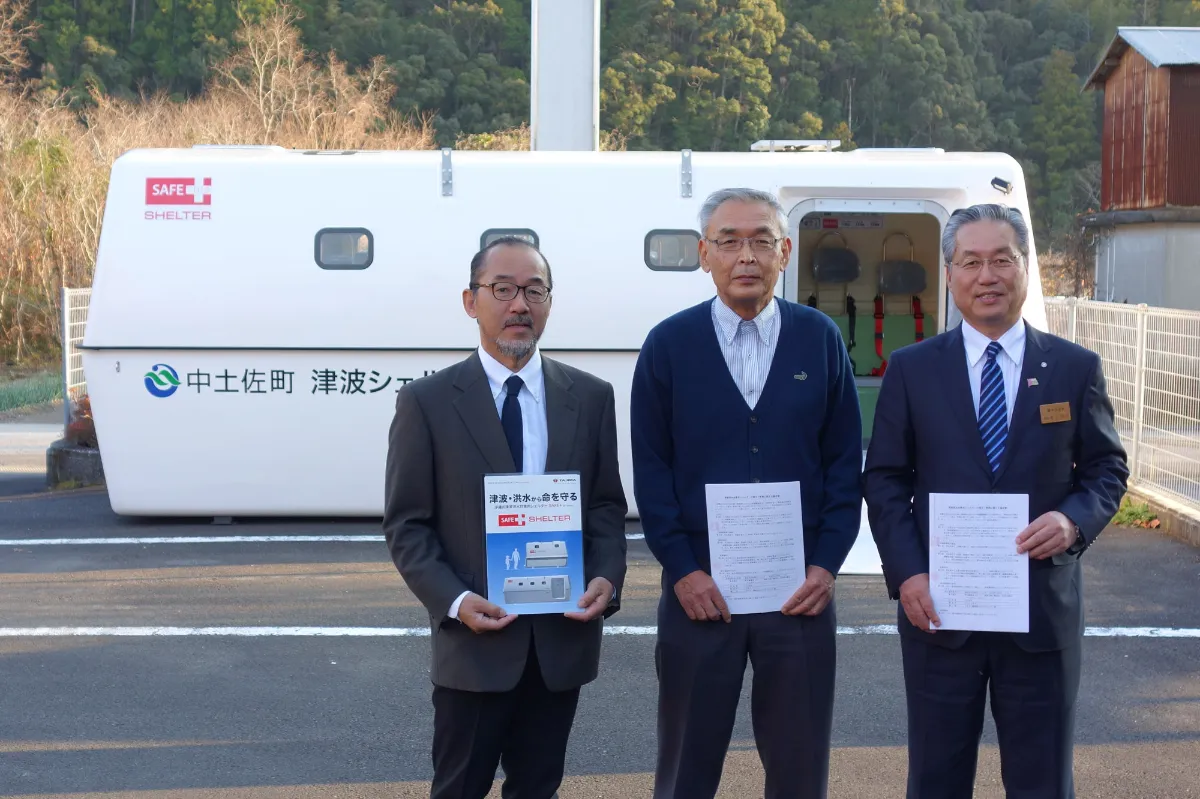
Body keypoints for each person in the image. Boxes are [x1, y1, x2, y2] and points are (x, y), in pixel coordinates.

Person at [863, 203, 1129, 799]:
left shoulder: (1072, 368)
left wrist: (1072, 520)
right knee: (936, 779)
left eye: (1002, 259)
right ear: (950, 273)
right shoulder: (911, 370)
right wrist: (907, 574)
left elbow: (1107, 468)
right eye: (971, 261)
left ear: (1025, 268)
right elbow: (884, 479)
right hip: (939, 614)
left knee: (1041, 783)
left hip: (1041, 615)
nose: (988, 276)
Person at [630, 187, 864, 799]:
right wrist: (682, 570)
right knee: (687, 764)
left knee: (799, 766)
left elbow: (844, 464)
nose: (746, 255)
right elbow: (652, 474)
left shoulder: (819, 340)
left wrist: (826, 564)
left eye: (761, 239)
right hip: (700, 595)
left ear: (785, 251)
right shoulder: (668, 346)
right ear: (704, 254)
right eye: (728, 241)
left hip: (799, 595)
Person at [383, 236, 628, 799]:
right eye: (503, 289)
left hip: (560, 643)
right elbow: (408, 524)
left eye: (534, 290)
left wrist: (605, 579)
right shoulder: (429, 401)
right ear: (472, 302)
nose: (520, 304)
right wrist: (455, 601)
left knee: (538, 788)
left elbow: (605, 508)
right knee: (458, 788)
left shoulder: (589, 397)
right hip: (474, 644)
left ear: (549, 302)